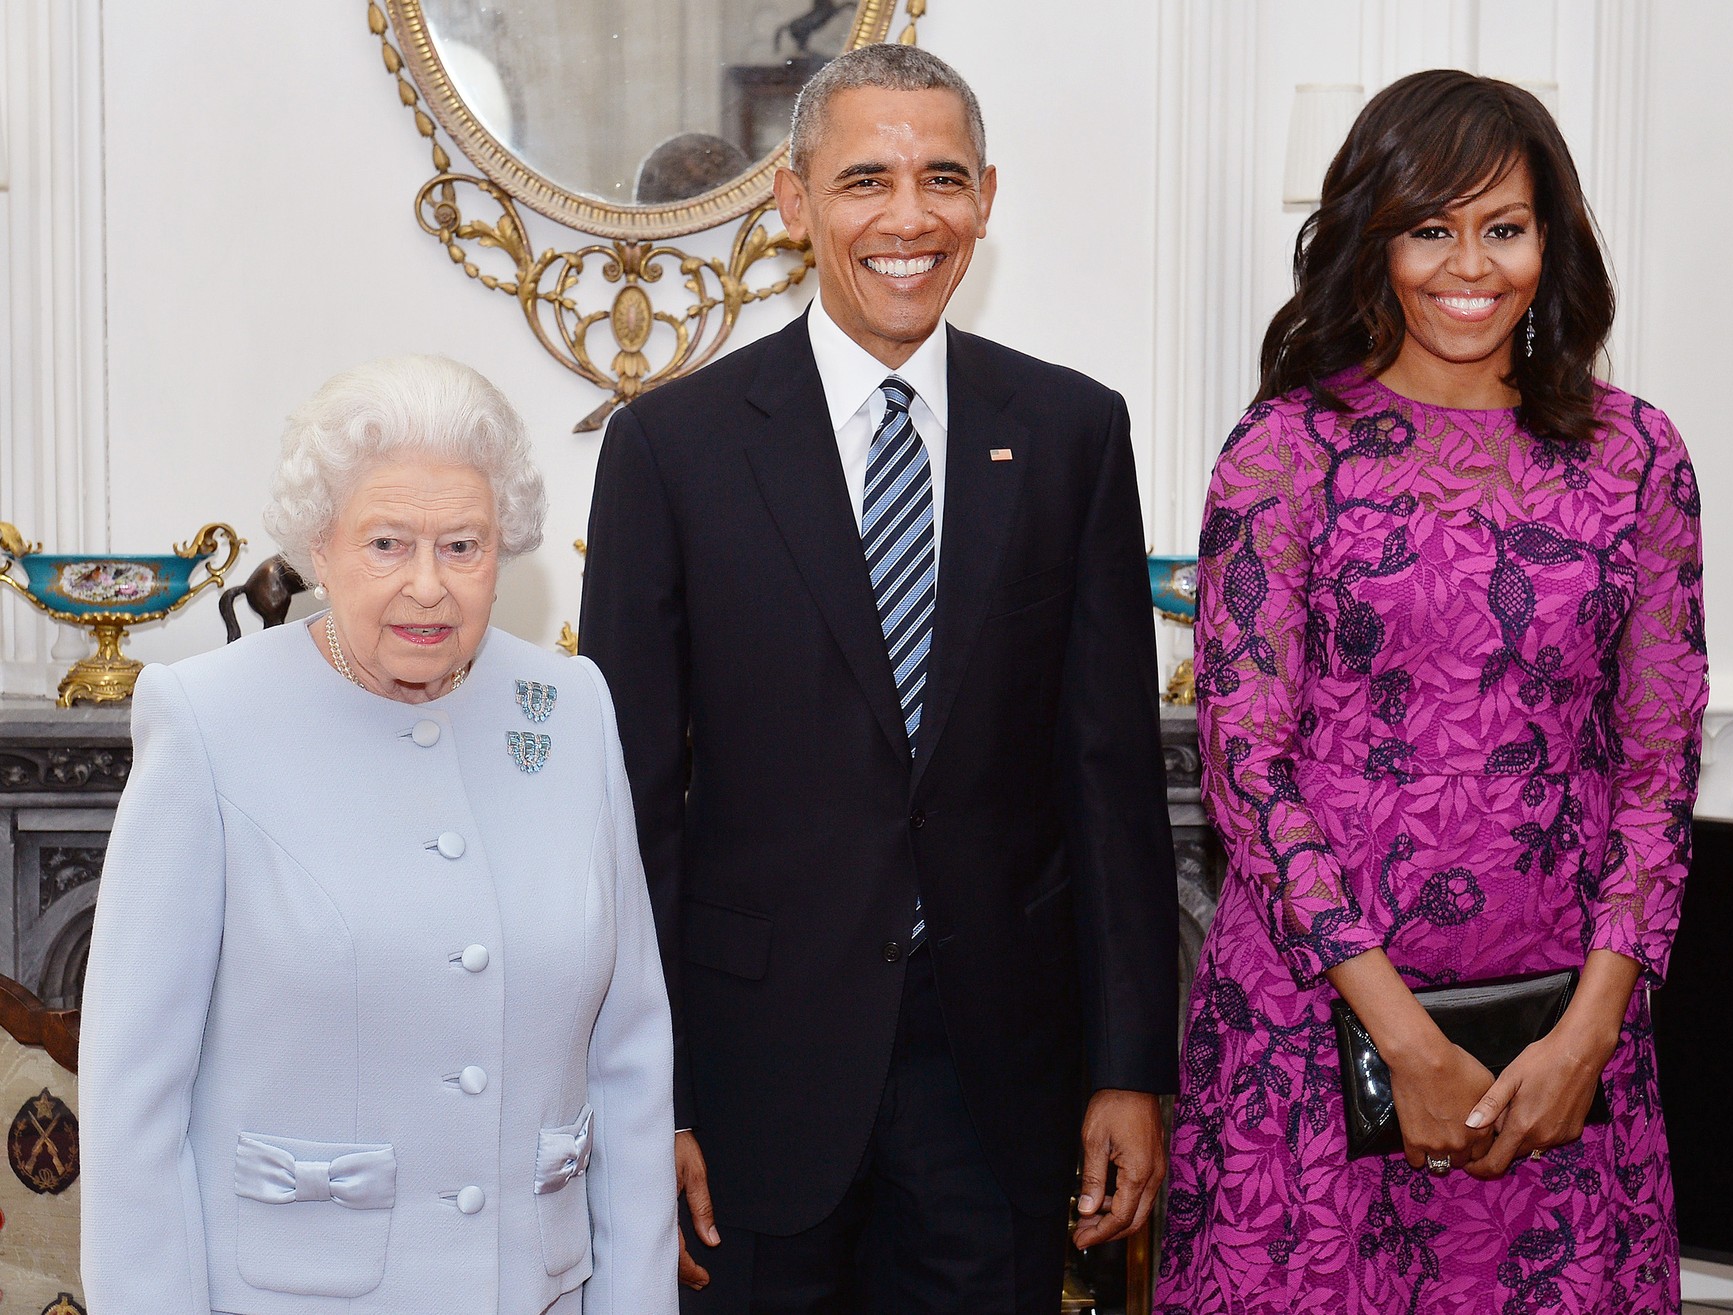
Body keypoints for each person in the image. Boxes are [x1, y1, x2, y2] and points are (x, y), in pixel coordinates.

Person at [581, 43, 1177, 1313]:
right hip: (750, 1086)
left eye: (942, 179)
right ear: (793, 203)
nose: (909, 218)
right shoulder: (670, 450)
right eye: (864, 180)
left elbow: (1111, 776)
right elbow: (627, 813)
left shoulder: (1074, 432)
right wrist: (653, 1097)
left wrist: (1129, 1067)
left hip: (1000, 1091)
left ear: (988, 197)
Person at [1156, 70, 1707, 1313]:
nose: (1472, 264)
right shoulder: (1286, 451)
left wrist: (1590, 1035)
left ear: (1550, 241)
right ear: (1378, 241)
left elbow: (1659, 768)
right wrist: (1401, 1038)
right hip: (1309, 1046)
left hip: (1559, 1066)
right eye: (1431, 227)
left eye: (1504, 227)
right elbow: (1248, 767)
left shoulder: (1636, 457)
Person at [79, 356, 678, 1315]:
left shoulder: (569, 707)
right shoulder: (207, 720)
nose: (429, 588)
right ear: (320, 544)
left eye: (464, 546)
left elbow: (630, 1058)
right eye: (388, 543)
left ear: (505, 548)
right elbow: (134, 1104)